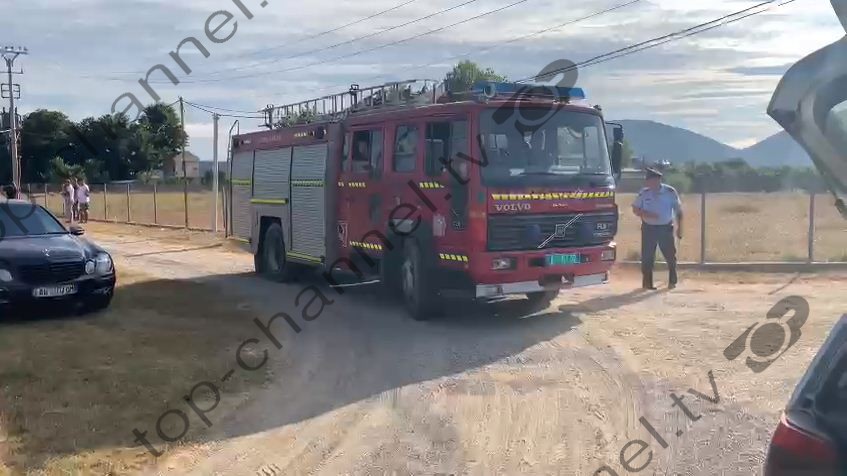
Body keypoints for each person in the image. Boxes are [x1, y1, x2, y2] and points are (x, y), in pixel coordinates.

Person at [632, 167, 683, 290]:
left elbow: (678, 211)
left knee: (670, 255)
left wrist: (680, 228)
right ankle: (647, 283)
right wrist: (647, 214)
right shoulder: (644, 193)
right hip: (648, 228)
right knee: (647, 257)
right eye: (648, 181)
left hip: (665, 228)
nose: (649, 183)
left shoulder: (670, 192)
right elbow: (635, 209)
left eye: (652, 181)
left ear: (658, 180)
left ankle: (672, 281)